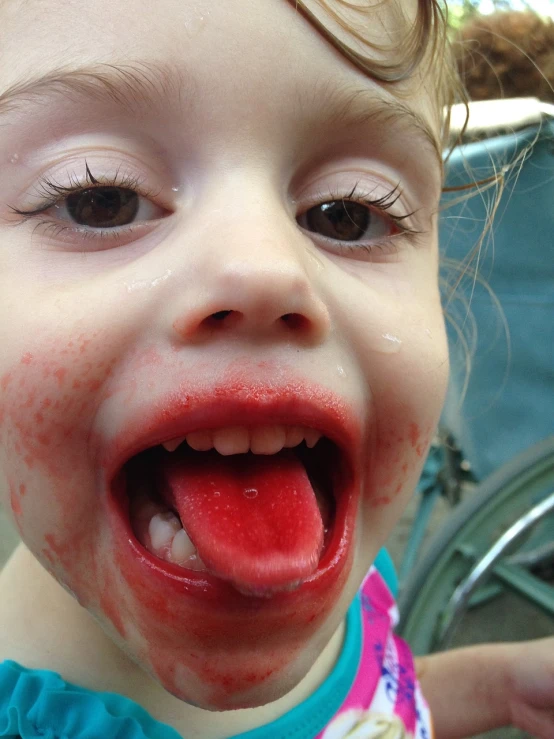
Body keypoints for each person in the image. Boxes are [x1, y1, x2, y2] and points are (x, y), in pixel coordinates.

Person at [0, 1, 552, 737]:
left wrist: (498, 687)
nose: (262, 269)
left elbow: (364, 715)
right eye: (100, 198)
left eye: (346, 214)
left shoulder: (326, 549)